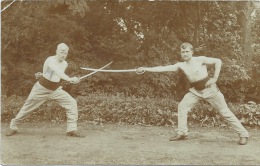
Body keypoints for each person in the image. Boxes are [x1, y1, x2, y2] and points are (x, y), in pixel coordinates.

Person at [137, 42, 249, 145]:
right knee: (182, 107)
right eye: (182, 52)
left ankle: (243, 135)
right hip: (195, 92)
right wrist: (145, 69)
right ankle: (182, 133)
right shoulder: (181, 65)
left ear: (192, 52)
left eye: (187, 52)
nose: (185, 54)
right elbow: (163, 68)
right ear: (180, 53)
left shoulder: (200, 59)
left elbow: (218, 61)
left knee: (225, 112)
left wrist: (215, 78)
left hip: (211, 91)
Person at [5, 43, 84, 137]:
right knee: (27, 108)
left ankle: (71, 130)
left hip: (55, 90)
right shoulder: (50, 60)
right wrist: (70, 79)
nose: (64, 55)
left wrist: (73, 81)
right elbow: (56, 71)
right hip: (40, 89)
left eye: (66, 53)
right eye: (62, 52)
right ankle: (13, 127)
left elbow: (56, 76)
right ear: (56, 51)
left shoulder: (65, 63)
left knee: (71, 103)